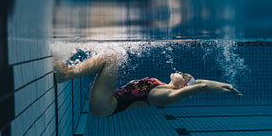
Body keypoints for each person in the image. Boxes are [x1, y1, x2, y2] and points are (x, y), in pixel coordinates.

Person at [53, 51, 242, 117]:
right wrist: (225, 84)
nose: (180, 72)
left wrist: (222, 91)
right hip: (108, 100)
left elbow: (199, 87)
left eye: (182, 75)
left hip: (105, 107)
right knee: (110, 57)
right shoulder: (162, 84)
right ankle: (68, 70)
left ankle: (65, 75)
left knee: (111, 57)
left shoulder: (166, 95)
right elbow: (199, 82)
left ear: (181, 86)